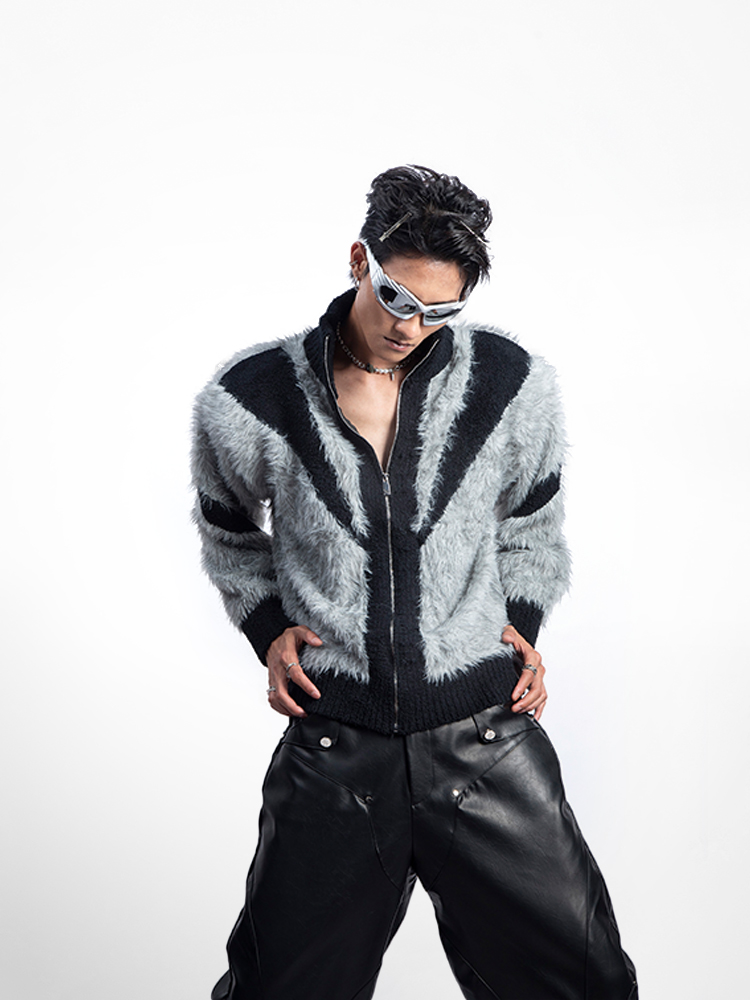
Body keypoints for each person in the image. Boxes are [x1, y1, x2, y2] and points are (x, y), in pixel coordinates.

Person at [192, 165, 638, 1000]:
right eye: (398, 298)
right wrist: (267, 631)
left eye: (440, 311)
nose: (412, 326)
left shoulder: (509, 383)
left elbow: (532, 527)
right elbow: (228, 535)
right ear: (359, 259)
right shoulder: (252, 396)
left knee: (583, 985)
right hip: (338, 748)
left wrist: (521, 628)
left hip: (485, 741)